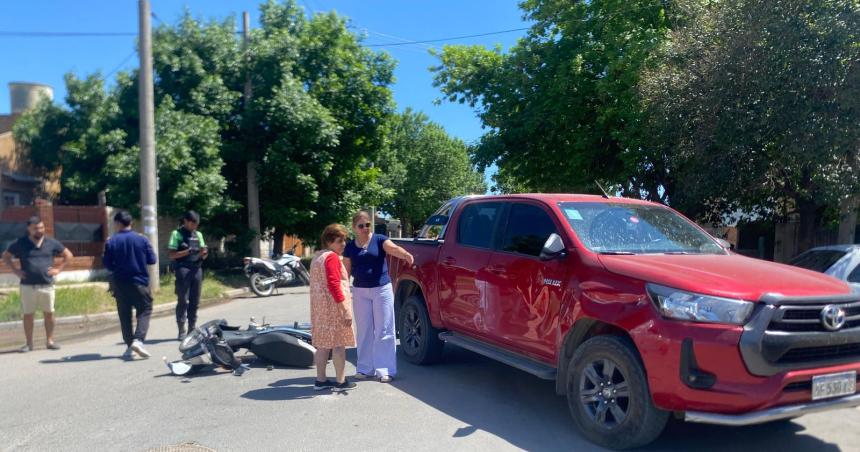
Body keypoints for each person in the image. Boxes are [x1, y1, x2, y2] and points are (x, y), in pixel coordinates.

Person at [343, 211, 414, 383]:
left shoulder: (380, 239)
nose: (365, 228)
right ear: (354, 228)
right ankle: (365, 368)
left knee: (385, 329)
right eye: (361, 226)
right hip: (360, 291)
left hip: (382, 289)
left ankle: (385, 370)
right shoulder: (350, 247)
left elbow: (393, 248)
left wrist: (405, 254)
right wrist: (343, 291)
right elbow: (345, 272)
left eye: (368, 224)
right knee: (365, 330)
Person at [2, 216, 73, 352]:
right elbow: (6, 256)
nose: (40, 230)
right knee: (28, 314)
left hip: (47, 285)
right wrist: (16, 271)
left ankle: (50, 341)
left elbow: (68, 255)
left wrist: (58, 269)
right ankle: (29, 344)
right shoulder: (20, 243)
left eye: (41, 227)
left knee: (49, 313)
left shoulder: (51, 242)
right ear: (29, 229)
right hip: (28, 286)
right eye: (36, 228)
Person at [103, 211, 157, 359]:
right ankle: (138, 340)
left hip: (119, 283)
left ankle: (129, 346)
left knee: (124, 314)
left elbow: (107, 264)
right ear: (131, 223)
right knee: (145, 309)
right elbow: (152, 260)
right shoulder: (142, 240)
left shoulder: (111, 241)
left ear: (117, 223)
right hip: (139, 282)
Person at [309, 224, 357, 392]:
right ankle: (341, 381)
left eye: (344, 240)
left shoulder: (317, 257)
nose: (344, 244)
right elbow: (334, 284)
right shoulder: (332, 258)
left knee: (322, 346)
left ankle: (320, 381)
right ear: (329, 241)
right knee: (338, 345)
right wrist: (344, 309)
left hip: (320, 310)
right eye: (340, 240)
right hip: (333, 309)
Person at [168, 210, 208, 340]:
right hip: (183, 269)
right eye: (192, 224)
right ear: (185, 221)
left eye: (196, 224)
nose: (194, 226)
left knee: (195, 300)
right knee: (183, 300)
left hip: (196, 269)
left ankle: (192, 327)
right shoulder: (177, 234)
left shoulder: (198, 234)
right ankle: (181, 330)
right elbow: (172, 254)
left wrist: (203, 253)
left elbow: (203, 253)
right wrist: (188, 251)